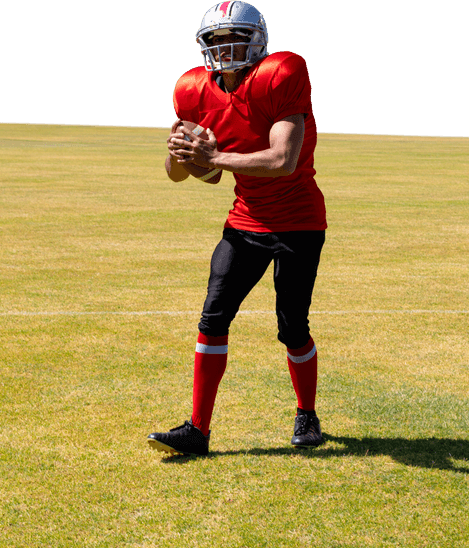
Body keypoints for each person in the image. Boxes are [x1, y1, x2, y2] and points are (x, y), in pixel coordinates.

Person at [147, 1, 327, 456]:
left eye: (236, 38)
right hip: (245, 220)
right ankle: (197, 430)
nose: (226, 48)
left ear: (257, 40)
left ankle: (306, 412)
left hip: (298, 222)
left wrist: (213, 158)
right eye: (217, 40)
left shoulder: (283, 73)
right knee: (213, 317)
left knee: (292, 327)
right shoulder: (193, 89)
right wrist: (179, 151)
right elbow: (183, 175)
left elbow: (282, 161)